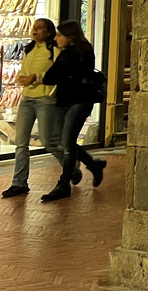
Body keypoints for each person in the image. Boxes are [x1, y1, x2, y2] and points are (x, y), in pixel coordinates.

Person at [2, 18, 69, 198]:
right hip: (27, 99)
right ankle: (19, 182)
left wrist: (37, 77)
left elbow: (57, 73)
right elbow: (23, 71)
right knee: (20, 142)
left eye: (40, 28)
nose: (35, 30)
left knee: (49, 141)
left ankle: (71, 168)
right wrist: (22, 78)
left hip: (45, 99)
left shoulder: (54, 50)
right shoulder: (29, 50)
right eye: (34, 27)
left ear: (48, 32)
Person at [40, 20, 106, 202]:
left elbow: (50, 77)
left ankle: (63, 183)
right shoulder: (78, 53)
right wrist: (73, 78)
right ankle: (93, 165)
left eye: (60, 35)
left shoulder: (72, 54)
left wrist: (68, 76)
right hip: (68, 101)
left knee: (67, 142)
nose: (56, 38)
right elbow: (51, 78)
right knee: (65, 140)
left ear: (70, 38)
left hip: (78, 102)